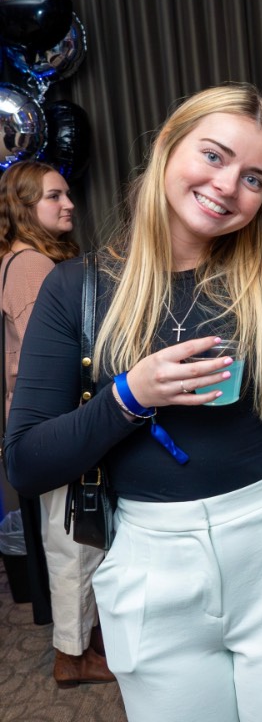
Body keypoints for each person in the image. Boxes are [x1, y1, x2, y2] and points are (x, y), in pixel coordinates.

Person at [5, 84, 262, 721]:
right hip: (151, 565)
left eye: (254, 178)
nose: (227, 185)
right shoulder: (76, 290)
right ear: (167, 146)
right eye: (213, 156)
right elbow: (27, 463)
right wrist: (130, 395)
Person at [0, 161, 113, 686]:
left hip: (48, 422)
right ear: (25, 208)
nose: (68, 203)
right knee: (73, 540)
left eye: (67, 193)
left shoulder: (22, 259)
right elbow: (49, 358)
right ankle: (71, 655)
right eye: (53, 197)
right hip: (54, 423)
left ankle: (83, 641)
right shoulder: (31, 266)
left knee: (71, 535)